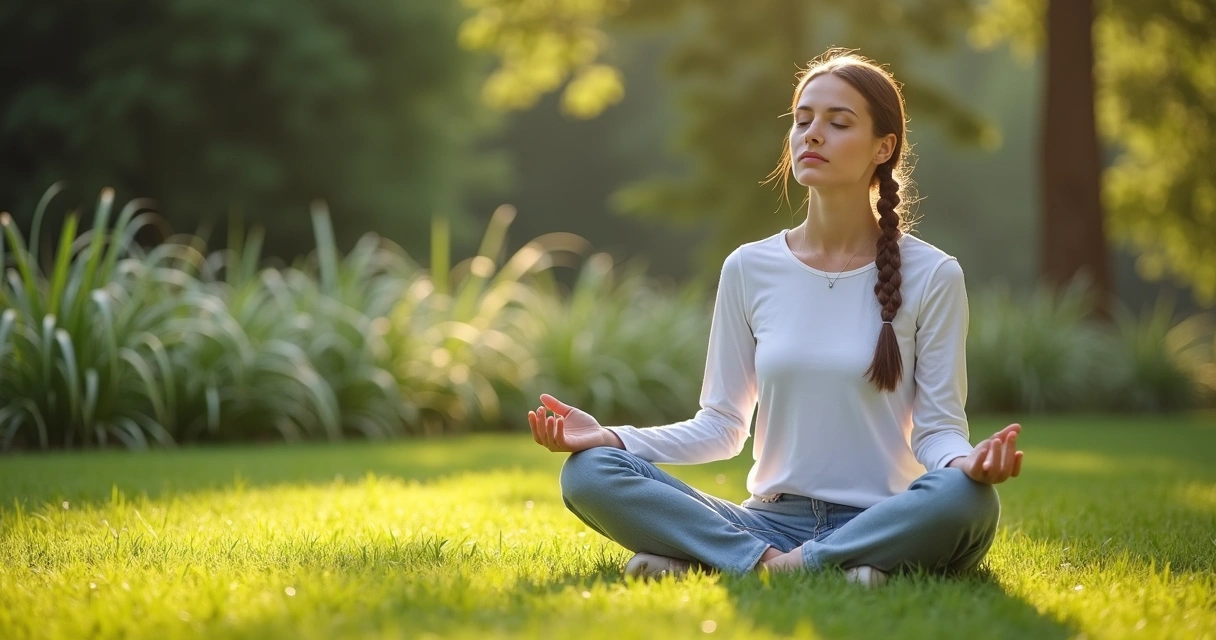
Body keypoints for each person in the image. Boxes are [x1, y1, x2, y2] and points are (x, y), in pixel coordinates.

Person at [526, 49, 1024, 588]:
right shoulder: (749, 267)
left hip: (882, 520)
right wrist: (612, 440)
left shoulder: (933, 274)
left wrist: (966, 464)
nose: (812, 134)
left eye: (838, 123)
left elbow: (937, 430)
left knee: (965, 499)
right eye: (802, 120)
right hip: (764, 521)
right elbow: (720, 427)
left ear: (884, 147)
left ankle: (726, 561)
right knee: (589, 472)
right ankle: (800, 566)